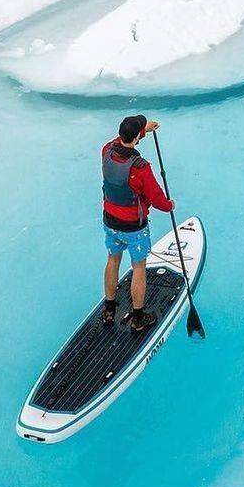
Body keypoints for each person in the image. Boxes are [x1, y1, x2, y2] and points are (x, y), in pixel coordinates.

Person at [101, 114, 174, 333]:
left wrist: (143, 130)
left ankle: (109, 310)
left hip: (110, 220)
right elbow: (157, 199)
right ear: (136, 138)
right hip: (134, 226)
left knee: (113, 260)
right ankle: (138, 318)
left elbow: (123, 140)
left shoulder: (106, 151)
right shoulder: (141, 168)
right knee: (138, 267)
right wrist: (170, 205)